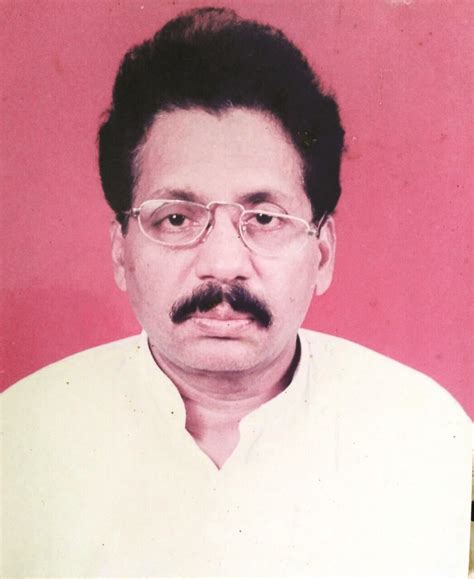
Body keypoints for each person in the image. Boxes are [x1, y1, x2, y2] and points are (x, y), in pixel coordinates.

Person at [2, 7, 471, 577]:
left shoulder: (424, 434)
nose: (223, 264)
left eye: (265, 218)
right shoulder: (21, 437)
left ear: (322, 254)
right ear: (121, 252)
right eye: (176, 218)